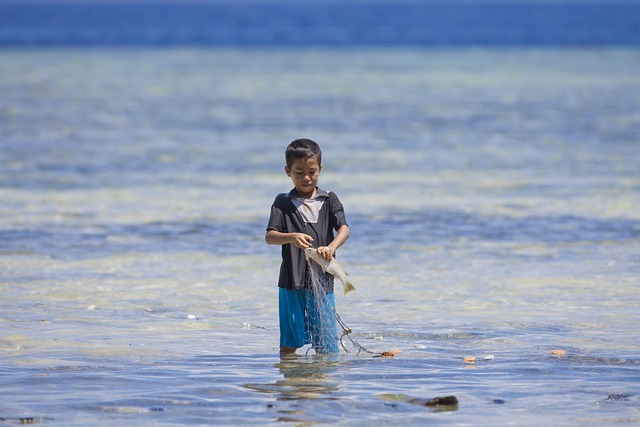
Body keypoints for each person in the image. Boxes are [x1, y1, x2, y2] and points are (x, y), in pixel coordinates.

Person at [266, 138, 350, 356]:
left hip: (322, 278)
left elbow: (344, 229)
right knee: (289, 342)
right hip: (290, 280)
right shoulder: (282, 202)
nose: (306, 177)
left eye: (311, 172)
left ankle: (323, 384)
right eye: (299, 172)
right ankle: (290, 383)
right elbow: (270, 237)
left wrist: (331, 247)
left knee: (327, 343)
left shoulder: (329, 199)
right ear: (287, 171)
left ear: (320, 170)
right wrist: (292, 236)